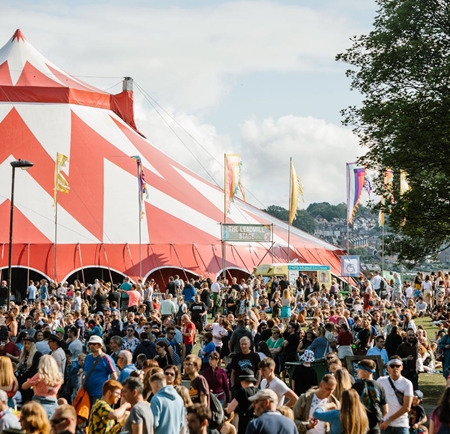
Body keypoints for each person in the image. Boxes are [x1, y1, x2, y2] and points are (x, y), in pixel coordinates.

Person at [378, 357, 413, 433]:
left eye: (397, 366)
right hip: (384, 424)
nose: (395, 368)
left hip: (401, 424)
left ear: (402, 367)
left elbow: (407, 408)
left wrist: (389, 420)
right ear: (388, 368)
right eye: (392, 366)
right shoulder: (381, 381)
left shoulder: (407, 383)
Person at [352, 359, 387, 434]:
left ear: (366, 372)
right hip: (375, 426)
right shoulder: (380, 386)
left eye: (359, 369)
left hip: (360, 424)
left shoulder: (357, 386)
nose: (357, 371)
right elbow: (386, 410)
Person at [83, 335, 118, 402]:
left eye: (94, 344)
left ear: (100, 345)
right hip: (86, 393)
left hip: (100, 395)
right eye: (90, 344)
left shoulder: (106, 359)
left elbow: (114, 377)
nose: (91, 346)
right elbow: (85, 372)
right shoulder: (88, 357)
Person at [225, 369, 259, 434]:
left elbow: (229, 409)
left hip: (245, 425)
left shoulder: (242, 391)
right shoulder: (258, 391)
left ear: (242, 381)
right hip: (257, 424)